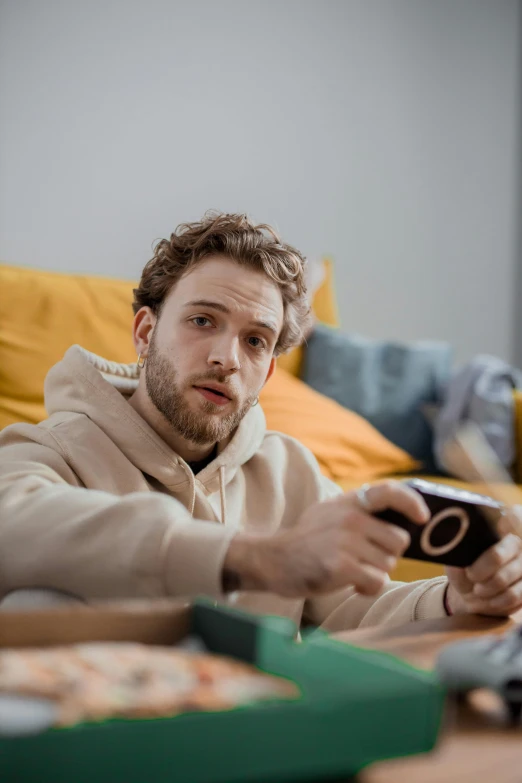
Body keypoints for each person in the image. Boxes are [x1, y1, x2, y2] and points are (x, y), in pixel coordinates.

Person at [0, 212, 521, 629]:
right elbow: (13, 528)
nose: (227, 357)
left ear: (269, 370)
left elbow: (354, 606)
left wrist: (456, 597)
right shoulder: (52, 449)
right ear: (144, 333)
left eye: (255, 340)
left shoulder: (288, 468)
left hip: (262, 737)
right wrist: (261, 557)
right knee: (32, 601)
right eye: (203, 320)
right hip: (117, 733)